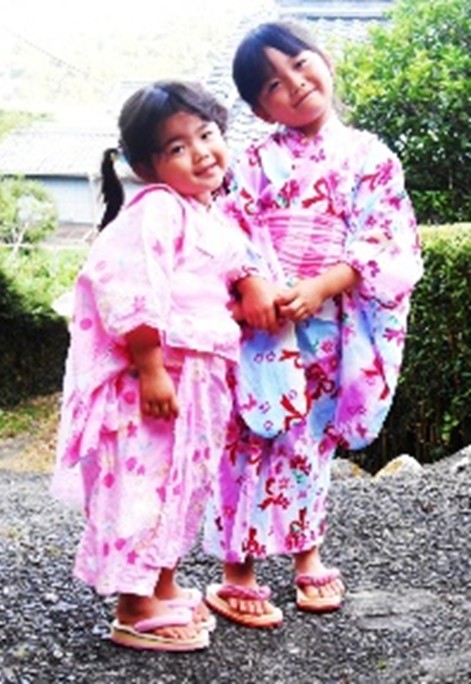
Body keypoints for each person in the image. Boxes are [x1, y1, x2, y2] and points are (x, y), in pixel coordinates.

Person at [203, 21, 423, 628]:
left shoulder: (371, 156)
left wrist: (326, 284)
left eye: (301, 65)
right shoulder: (253, 160)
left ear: (324, 59)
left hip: (330, 324)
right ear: (257, 106)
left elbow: (387, 238)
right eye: (274, 83)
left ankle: (307, 555)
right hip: (263, 324)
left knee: (311, 442)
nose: (296, 85)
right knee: (249, 435)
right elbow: (229, 228)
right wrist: (254, 284)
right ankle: (236, 572)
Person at [51, 80, 274, 651]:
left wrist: (253, 286)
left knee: (185, 485)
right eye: (177, 147)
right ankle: (134, 605)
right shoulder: (154, 212)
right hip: (157, 377)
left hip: (200, 377)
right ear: (145, 164)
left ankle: (163, 584)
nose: (201, 152)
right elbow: (126, 285)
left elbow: (236, 261)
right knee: (142, 483)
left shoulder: (206, 214)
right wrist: (149, 365)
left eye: (206, 134)